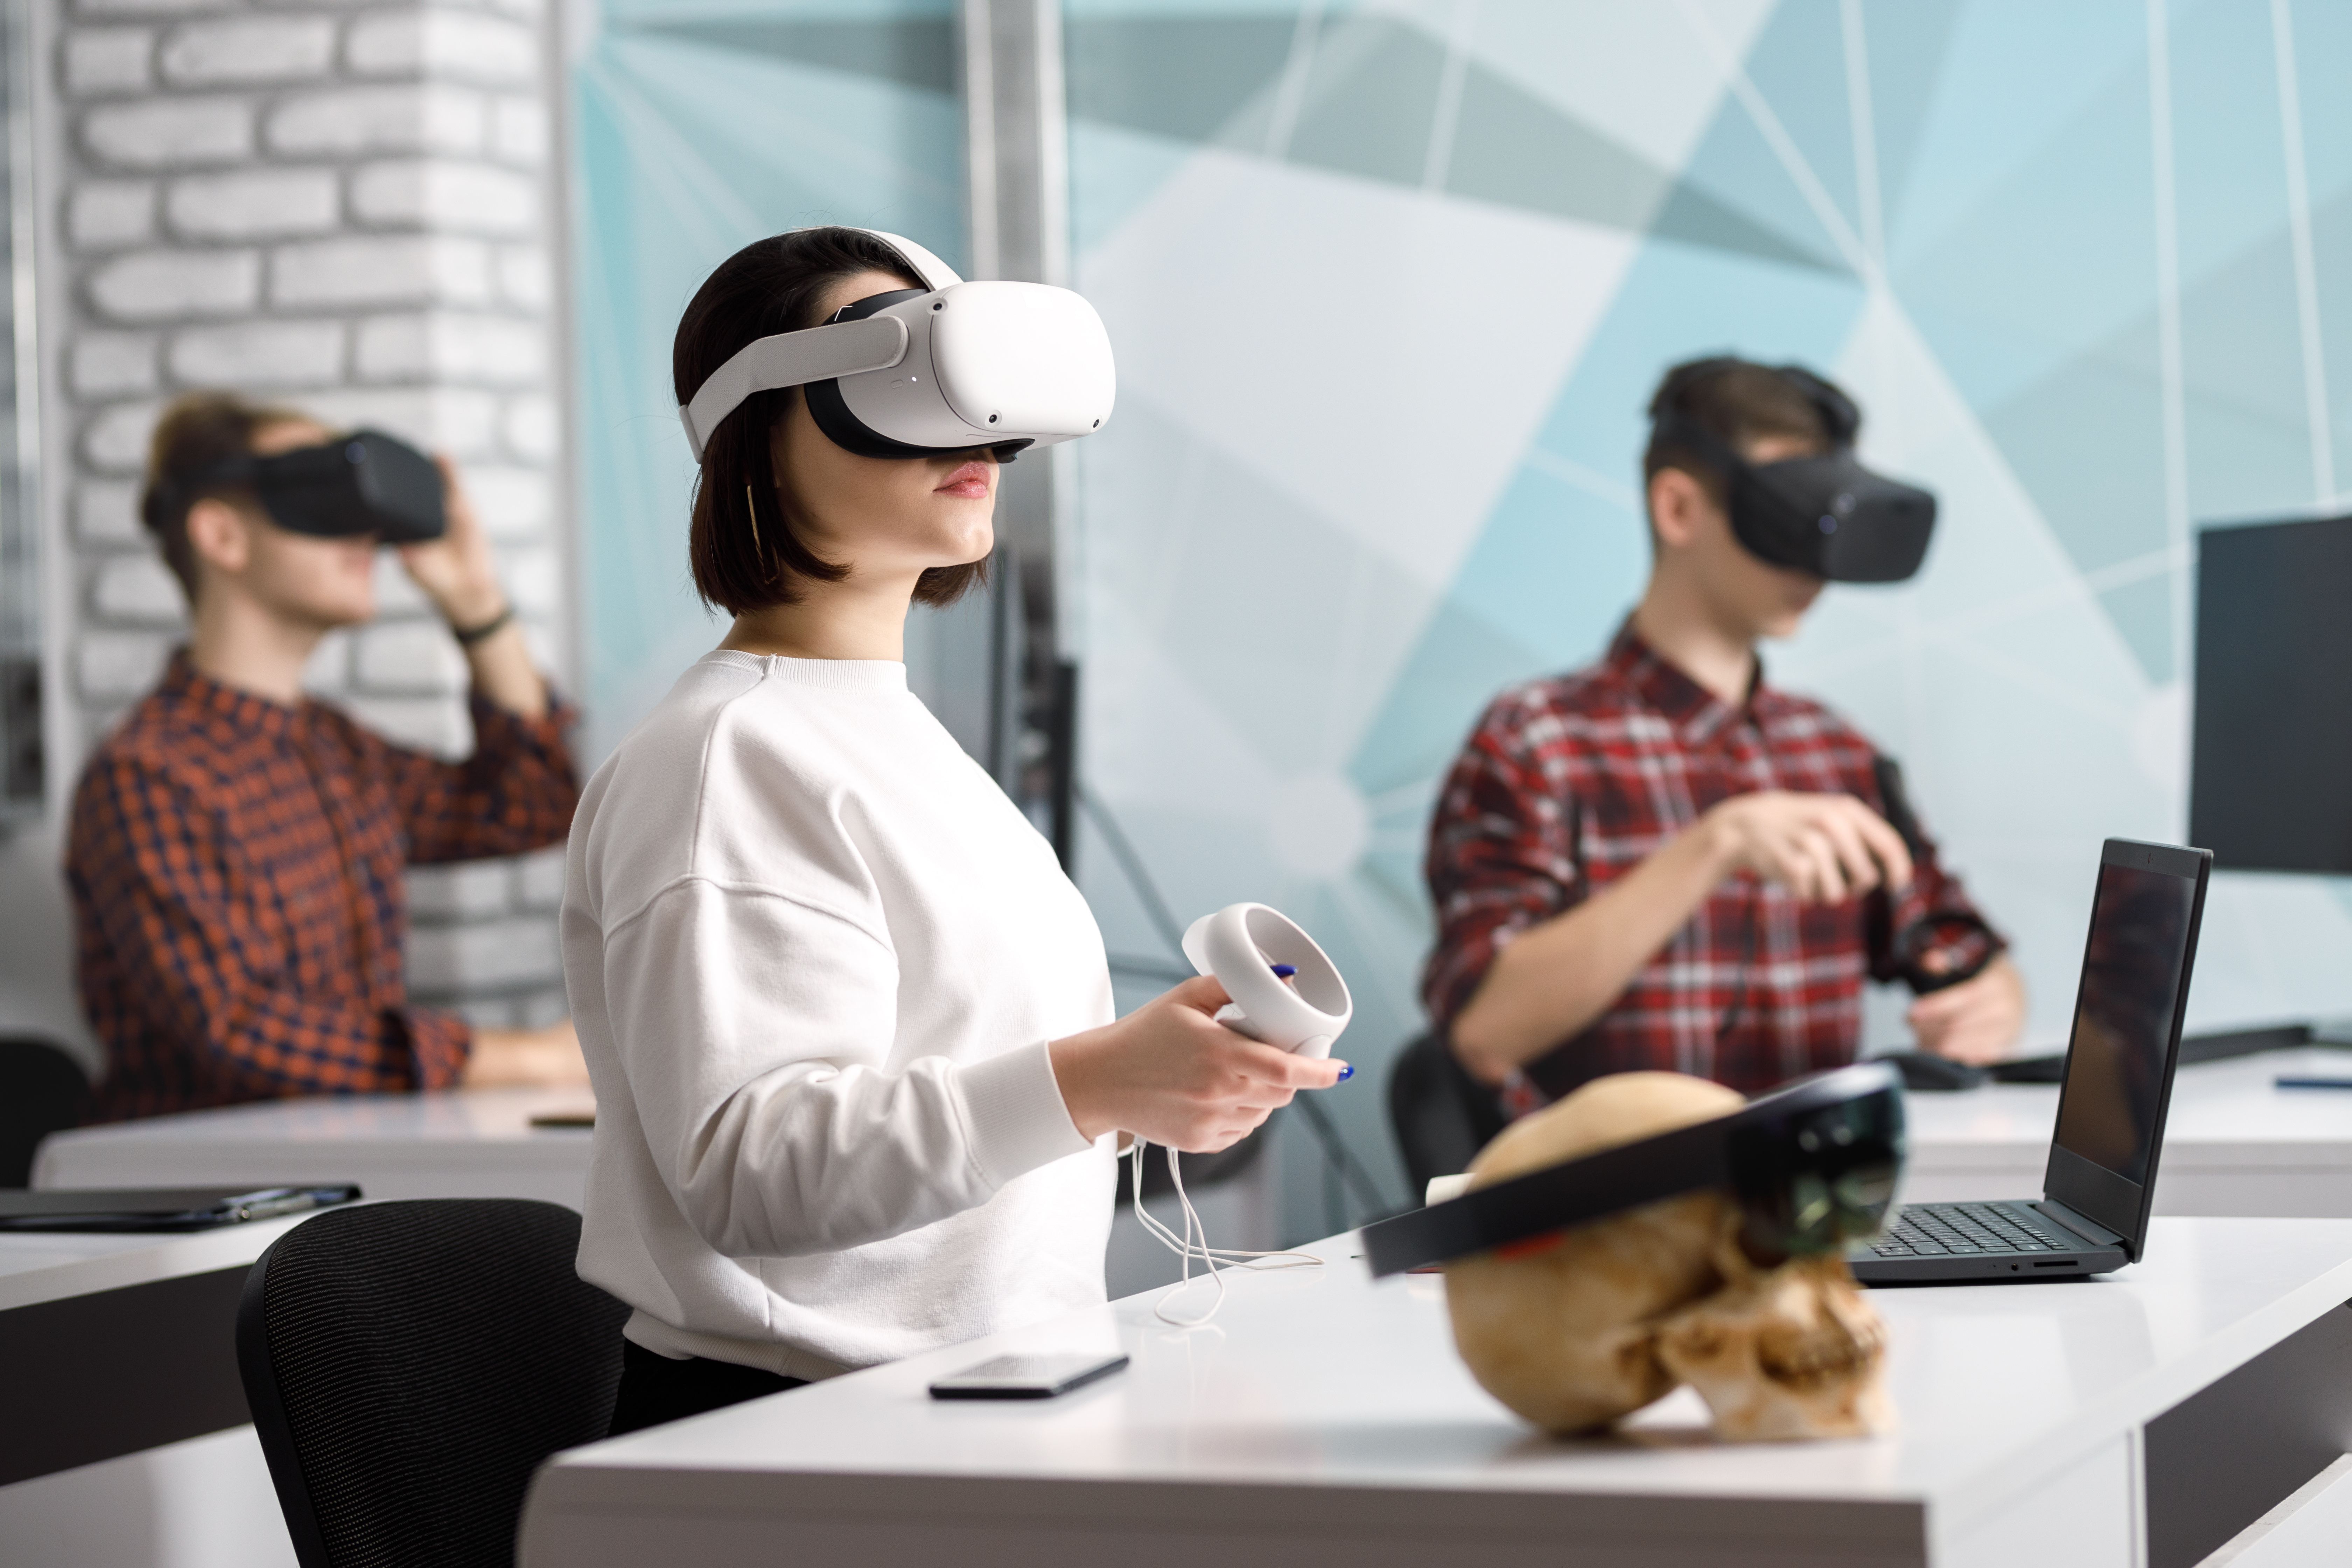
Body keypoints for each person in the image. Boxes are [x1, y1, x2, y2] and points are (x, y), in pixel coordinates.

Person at [566, 227, 1343, 1436]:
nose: (969, 432)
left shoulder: (888, 735)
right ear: (753, 432)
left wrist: (1155, 1083)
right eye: (899, 380)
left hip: (988, 1400)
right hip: (792, 1434)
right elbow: (749, 1174)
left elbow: (964, 1076)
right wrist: (1096, 1080)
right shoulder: (725, 757)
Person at [1423, 356, 2025, 1120]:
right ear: (1679, 509)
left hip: (1815, 1184)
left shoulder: (1835, 751)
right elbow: (1484, 1033)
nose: (1813, 563)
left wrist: (1991, 1002)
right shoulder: (1536, 742)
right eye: (1786, 514)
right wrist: (1715, 845)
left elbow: (1960, 948)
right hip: (1613, 1188)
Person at [66, 393, 589, 1123]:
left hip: (350, 1151)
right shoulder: (148, 776)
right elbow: (241, 1028)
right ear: (222, 536)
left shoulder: (337, 749)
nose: (365, 531)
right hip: (208, 1176)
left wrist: (476, 603)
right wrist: (528, 1059)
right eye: (323, 491)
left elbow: (534, 807)